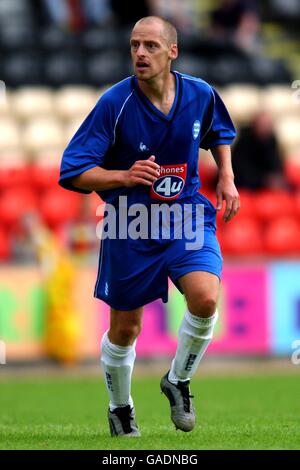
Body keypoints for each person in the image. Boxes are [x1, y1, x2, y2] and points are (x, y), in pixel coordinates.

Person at [59, 16, 240, 437]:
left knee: (206, 298)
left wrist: (226, 175)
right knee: (126, 328)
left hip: (185, 214)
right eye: (135, 45)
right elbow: (72, 170)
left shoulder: (199, 93)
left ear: (172, 51)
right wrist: (122, 176)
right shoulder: (115, 103)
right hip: (130, 223)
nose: (140, 53)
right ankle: (120, 407)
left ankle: (178, 381)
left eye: (151, 46)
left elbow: (220, 132)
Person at [232, 111, 286, 190]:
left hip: (264, 187)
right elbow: (240, 170)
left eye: (267, 125)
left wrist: (274, 179)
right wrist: (264, 180)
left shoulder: (271, 141)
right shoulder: (244, 141)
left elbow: (277, 165)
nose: (264, 128)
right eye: (261, 125)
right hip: (244, 185)